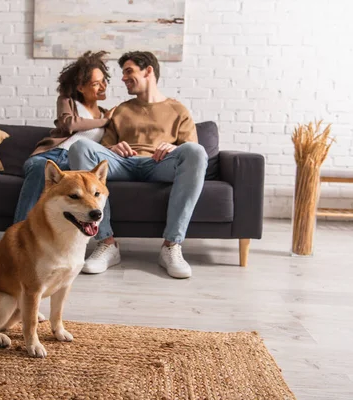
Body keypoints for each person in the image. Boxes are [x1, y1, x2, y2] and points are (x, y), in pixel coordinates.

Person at [68, 51, 208, 279]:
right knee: (80, 147)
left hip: (160, 164)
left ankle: (172, 245)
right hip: (123, 163)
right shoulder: (121, 110)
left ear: (149, 71)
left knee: (196, 151)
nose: (123, 78)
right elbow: (102, 153)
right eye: (123, 73)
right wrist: (114, 149)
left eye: (128, 71)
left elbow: (191, 151)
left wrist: (174, 149)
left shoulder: (178, 110)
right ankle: (106, 243)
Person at [13, 51, 116, 223]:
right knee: (39, 169)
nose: (103, 87)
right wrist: (103, 121)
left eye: (104, 81)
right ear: (80, 87)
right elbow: (69, 123)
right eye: (96, 83)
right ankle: (20, 235)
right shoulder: (67, 101)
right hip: (51, 157)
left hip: (76, 165)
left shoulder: (107, 115)